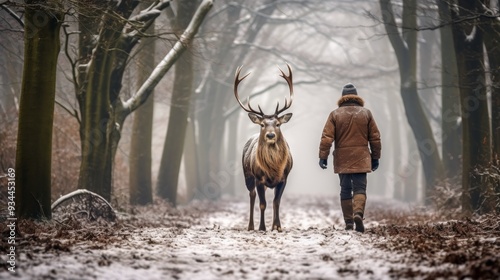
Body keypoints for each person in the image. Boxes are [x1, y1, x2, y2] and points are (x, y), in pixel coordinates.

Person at [318, 83, 381, 233]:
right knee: (360, 188)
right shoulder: (366, 113)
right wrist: (375, 157)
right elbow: (375, 138)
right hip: (361, 157)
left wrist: (323, 156)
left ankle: (349, 223)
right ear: (356, 96)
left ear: (342, 98)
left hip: (343, 158)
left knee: (345, 189)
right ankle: (358, 213)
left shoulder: (335, 114)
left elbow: (326, 138)